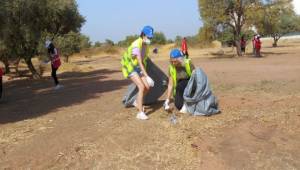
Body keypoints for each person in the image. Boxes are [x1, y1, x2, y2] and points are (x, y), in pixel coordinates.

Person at [121, 26, 155, 120]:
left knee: (147, 87)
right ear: (143, 35)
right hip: (130, 67)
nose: (150, 39)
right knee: (141, 86)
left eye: (151, 37)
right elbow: (139, 62)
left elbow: (144, 59)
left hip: (137, 67)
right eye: (149, 37)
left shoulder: (146, 45)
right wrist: (147, 76)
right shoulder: (136, 45)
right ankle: (140, 113)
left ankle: (136, 102)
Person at [163, 49, 195, 113]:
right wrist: (167, 99)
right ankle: (185, 104)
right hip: (179, 88)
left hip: (191, 84)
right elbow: (170, 84)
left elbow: (196, 76)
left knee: (182, 84)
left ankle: (189, 102)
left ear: (180, 59)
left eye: (175, 61)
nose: (173, 63)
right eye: (171, 61)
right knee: (178, 105)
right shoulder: (171, 67)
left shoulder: (188, 63)